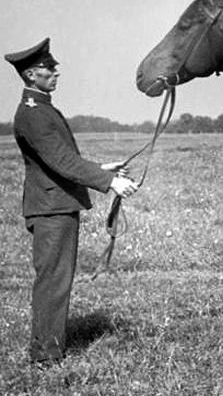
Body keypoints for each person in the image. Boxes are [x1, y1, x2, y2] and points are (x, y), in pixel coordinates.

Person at [4, 37, 139, 366]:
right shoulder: (34, 114)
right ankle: (47, 356)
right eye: (49, 69)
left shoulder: (41, 108)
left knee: (55, 280)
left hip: (56, 206)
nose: (55, 73)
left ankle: (46, 350)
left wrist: (101, 168)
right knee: (54, 282)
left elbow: (60, 159)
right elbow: (60, 161)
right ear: (31, 75)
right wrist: (110, 183)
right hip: (52, 210)